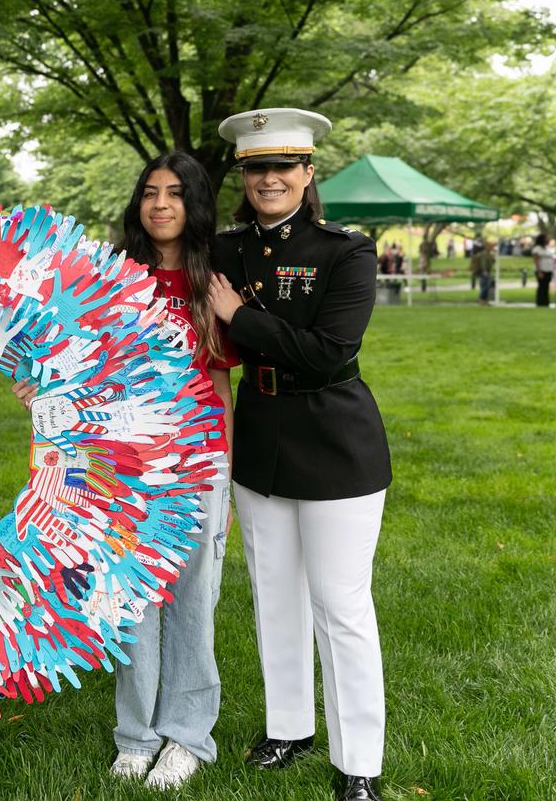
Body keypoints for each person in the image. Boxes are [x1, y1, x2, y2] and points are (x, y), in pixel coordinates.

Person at [209, 108, 392, 801]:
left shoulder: (347, 251)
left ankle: (359, 763)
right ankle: (288, 729)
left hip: (335, 442)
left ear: (308, 172)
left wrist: (241, 317)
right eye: (256, 167)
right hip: (260, 439)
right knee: (274, 597)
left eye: (283, 166)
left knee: (340, 605)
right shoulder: (226, 251)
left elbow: (328, 352)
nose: (269, 178)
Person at [101, 153, 238, 789]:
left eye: (176, 193)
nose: (161, 204)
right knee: (132, 599)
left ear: (194, 204)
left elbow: (219, 381)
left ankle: (187, 736)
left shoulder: (212, 281)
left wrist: (224, 472)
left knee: (192, 601)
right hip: (126, 463)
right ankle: (136, 736)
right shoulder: (112, 278)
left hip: (197, 460)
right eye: (151, 192)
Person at [470, 241, 495, 305]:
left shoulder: (489, 254)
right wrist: (484, 271)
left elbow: (492, 262)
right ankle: (481, 299)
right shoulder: (484, 254)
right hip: (483, 272)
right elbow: (483, 263)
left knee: (486, 286)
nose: (492, 248)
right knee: (485, 286)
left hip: (486, 272)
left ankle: (484, 300)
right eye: (491, 247)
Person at [532, 233, 553, 308]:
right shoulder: (537, 249)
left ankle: (546, 303)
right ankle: (540, 303)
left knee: (546, 287)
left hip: (548, 270)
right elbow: (536, 260)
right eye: (547, 238)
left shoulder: (548, 248)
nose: (548, 239)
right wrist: (539, 271)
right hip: (541, 270)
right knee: (542, 287)